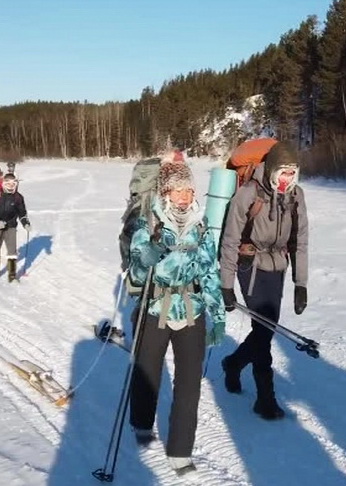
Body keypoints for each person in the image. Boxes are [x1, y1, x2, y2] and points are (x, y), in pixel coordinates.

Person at [126, 158, 226, 476]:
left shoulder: (201, 226)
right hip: (155, 309)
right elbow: (137, 272)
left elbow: (210, 271)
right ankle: (142, 421)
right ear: (165, 192)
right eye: (177, 190)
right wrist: (149, 255)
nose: (183, 197)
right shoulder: (149, 224)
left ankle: (181, 450)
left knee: (189, 385)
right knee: (148, 373)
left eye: (188, 190)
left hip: (192, 312)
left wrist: (218, 314)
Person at [218, 141, 309, 420]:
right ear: (270, 170)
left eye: (292, 173)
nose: (287, 178)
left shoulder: (296, 196)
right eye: (283, 172)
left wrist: (300, 283)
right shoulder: (247, 193)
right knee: (263, 329)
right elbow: (230, 240)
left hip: (277, 266)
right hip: (250, 265)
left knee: (265, 329)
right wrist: (226, 284)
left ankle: (233, 363)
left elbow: (300, 241)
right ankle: (265, 397)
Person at [0, 173, 31, 281]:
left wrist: (26, 223)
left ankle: (12, 273)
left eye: (13, 183)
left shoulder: (18, 197)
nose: (11, 185)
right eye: (8, 183)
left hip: (11, 226)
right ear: (4, 183)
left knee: (12, 250)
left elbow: (22, 213)